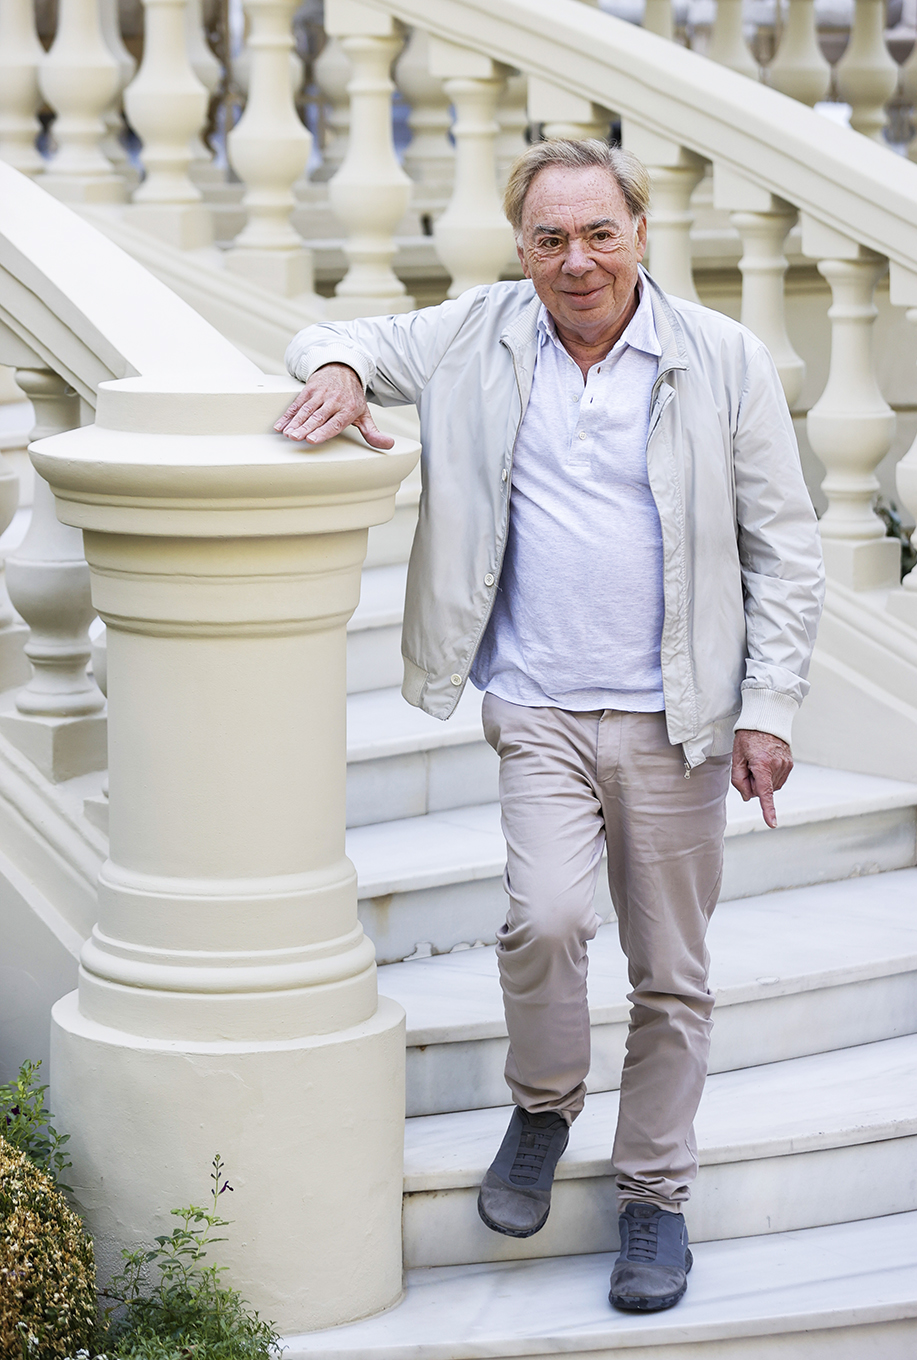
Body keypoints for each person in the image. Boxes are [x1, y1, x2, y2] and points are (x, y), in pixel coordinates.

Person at [277, 139, 825, 1313]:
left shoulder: (719, 359)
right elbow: (354, 337)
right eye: (547, 238)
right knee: (546, 919)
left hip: (680, 718)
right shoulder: (481, 331)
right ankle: (541, 1104)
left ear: (638, 229)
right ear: (520, 243)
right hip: (535, 701)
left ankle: (653, 1200)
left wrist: (767, 706)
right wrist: (332, 366)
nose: (574, 261)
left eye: (597, 233)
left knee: (673, 974)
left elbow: (787, 547)